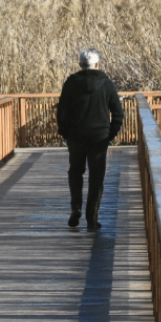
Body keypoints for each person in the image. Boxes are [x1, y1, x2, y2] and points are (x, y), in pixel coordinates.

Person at [56, 48, 124, 231]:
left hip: (76, 136)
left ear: (80, 64)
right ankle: (92, 219)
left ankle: (76, 208)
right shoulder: (106, 84)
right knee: (96, 178)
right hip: (99, 138)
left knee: (75, 173)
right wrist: (110, 134)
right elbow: (118, 113)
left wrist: (66, 133)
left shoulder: (70, 83)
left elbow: (61, 112)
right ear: (97, 64)